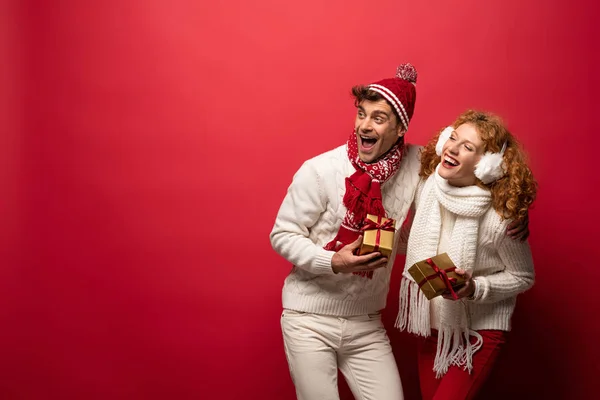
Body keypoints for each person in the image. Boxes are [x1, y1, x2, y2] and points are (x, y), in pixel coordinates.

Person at [396, 110, 537, 400]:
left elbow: (523, 277)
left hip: (479, 333)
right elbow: (413, 242)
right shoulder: (428, 188)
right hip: (433, 327)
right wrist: (379, 233)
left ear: (488, 166)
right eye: (453, 138)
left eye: (468, 147)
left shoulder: (501, 216)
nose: (452, 148)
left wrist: (475, 288)